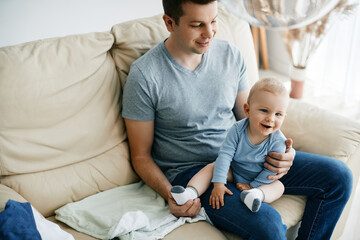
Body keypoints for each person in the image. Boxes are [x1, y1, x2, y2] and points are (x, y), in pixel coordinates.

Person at [122, 0, 353, 239]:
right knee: (269, 226)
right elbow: (140, 156)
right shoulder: (145, 76)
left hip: (244, 154)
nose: (209, 33)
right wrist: (171, 194)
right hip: (195, 171)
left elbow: (250, 118)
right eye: (197, 25)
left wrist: (286, 154)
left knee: (339, 177)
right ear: (170, 23)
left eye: (213, 21)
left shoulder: (230, 55)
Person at [171, 78, 289, 213]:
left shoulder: (279, 142)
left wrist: (252, 186)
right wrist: (219, 184)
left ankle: (255, 195)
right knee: (212, 167)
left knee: (279, 186)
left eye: (278, 114)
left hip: (259, 180)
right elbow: (225, 155)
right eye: (264, 110)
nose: (271, 119)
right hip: (234, 171)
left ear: (284, 117)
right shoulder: (238, 129)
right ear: (247, 110)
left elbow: (271, 171)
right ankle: (189, 193)